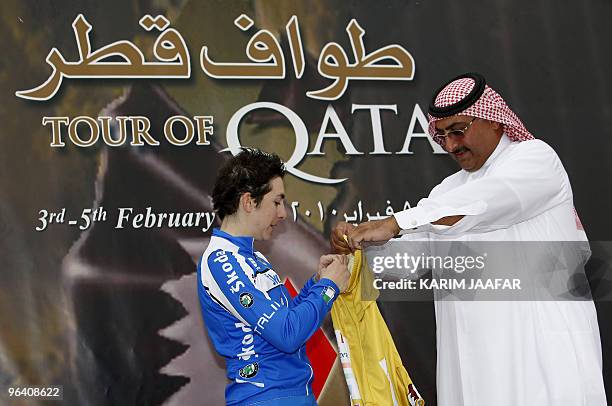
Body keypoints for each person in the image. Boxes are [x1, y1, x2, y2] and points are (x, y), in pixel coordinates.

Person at [331, 73, 607, 405]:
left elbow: (481, 204)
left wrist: (396, 222)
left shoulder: (535, 159)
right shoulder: (446, 191)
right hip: (472, 366)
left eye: (458, 130)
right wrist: (359, 250)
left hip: (539, 357)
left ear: (493, 120)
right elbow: (414, 258)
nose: (450, 145)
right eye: (442, 135)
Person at [197, 148, 350, 406]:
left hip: (292, 395)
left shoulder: (253, 258)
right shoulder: (222, 260)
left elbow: (288, 318)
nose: (283, 213)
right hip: (266, 398)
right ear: (248, 201)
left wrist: (317, 282)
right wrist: (328, 287)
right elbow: (288, 334)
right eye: (277, 202)